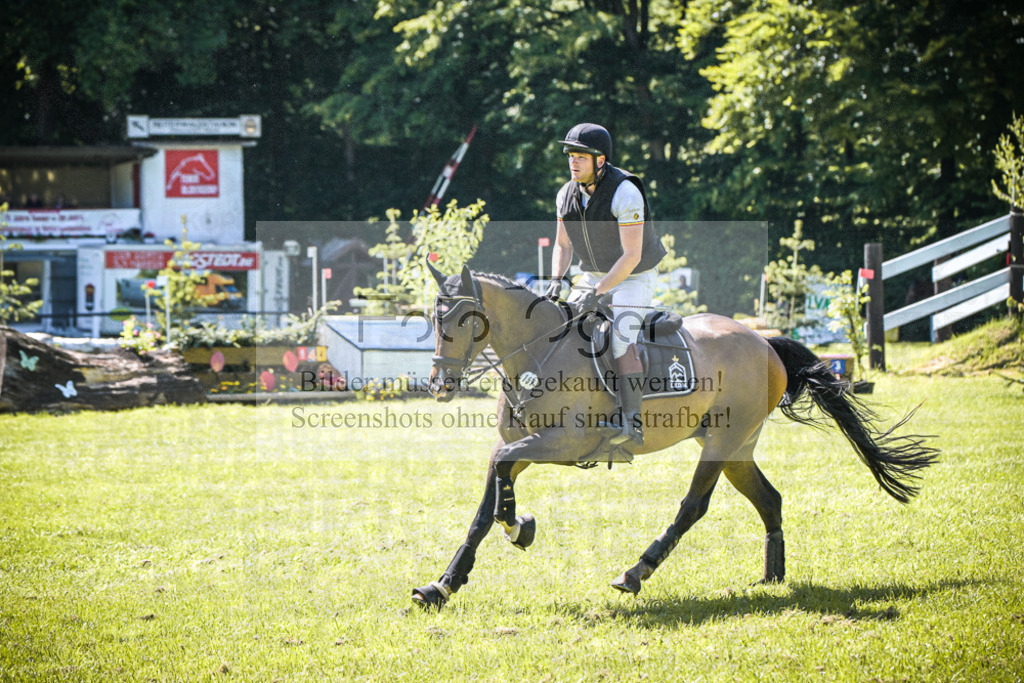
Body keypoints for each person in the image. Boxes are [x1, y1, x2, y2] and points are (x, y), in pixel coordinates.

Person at [545, 122, 667, 446]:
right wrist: (556, 280)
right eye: (570, 155)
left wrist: (597, 294)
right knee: (561, 327)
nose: (572, 162)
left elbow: (631, 256)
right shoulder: (565, 194)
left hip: (635, 275)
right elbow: (562, 245)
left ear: (600, 160)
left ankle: (631, 421)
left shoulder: (625, 192)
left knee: (620, 337)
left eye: (580, 156)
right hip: (593, 276)